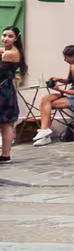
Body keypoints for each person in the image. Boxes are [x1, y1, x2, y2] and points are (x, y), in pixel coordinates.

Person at [31, 44, 74, 145]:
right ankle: (44, 131)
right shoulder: (72, 66)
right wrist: (58, 79)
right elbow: (69, 80)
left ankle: (45, 135)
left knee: (49, 104)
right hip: (72, 94)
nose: (65, 60)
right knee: (45, 99)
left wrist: (60, 90)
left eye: (66, 57)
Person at [0, 25, 24, 162]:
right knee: (6, 123)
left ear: (16, 38)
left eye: (10, 36)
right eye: (4, 35)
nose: (5, 39)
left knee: (6, 124)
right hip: (6, 89)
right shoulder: (11, 51)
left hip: (3, 90)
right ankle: (5, 155)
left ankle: (5, 154)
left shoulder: (10, 53)